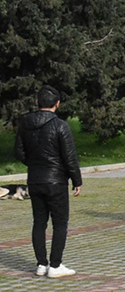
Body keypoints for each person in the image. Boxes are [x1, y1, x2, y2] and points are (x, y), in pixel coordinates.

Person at [14, 86, 82, 278]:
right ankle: (55, 264)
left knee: (39, 222)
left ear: (37, 102)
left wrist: (34, 163)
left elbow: (19, 151)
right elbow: (69, 157)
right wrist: (76, 180)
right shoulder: (61, 125)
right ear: (57, 104)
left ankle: (41, 264)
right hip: (56, 181)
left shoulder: (25, 123)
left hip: (35, 179)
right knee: (60, 223)